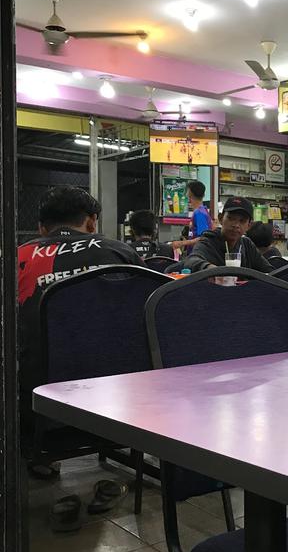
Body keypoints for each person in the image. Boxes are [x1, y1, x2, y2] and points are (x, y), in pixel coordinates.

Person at [18, 186, 142, 477]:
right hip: (123, 408)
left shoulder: (18, 256)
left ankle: (35, 459)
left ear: (41, 227)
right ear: (92, 222)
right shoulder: (121, 252)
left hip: (39, 413)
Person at [184, 196, 272, 272]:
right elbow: (191, 261)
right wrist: (210, 269)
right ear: (221, 218)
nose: (236, 225)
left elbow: (269, 271)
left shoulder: (246, 245)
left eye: (242, 221)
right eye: (231, 218)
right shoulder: (209, 241)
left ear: (248, 226)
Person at [170, 180, 215, 252]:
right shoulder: (202, 210)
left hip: (199, 254)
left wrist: (182, 243)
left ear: (190, 194)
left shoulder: (199, 213)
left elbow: (203, 239)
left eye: (187, 191)